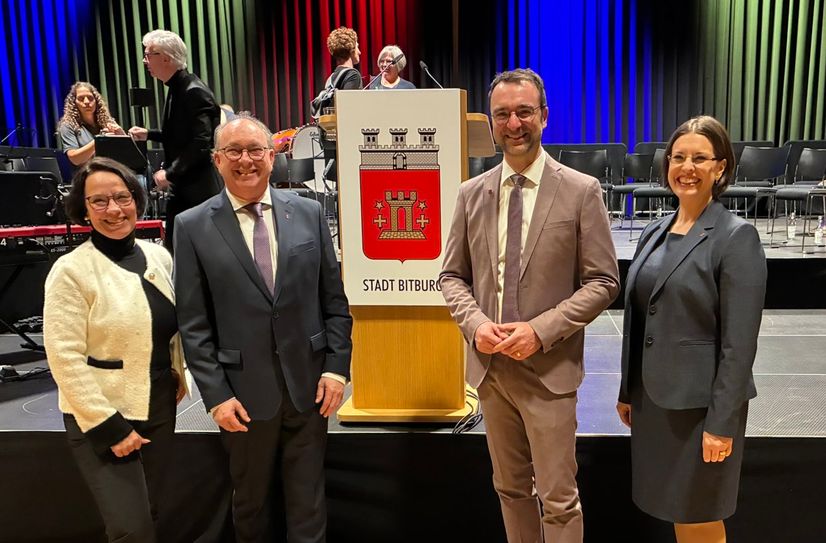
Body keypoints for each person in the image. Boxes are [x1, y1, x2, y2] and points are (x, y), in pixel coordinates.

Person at [439, 69, 620, 542]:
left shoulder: (581, 191)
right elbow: (451, 275)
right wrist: (475, 323)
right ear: (491, 123)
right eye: (503, 114)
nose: (513, 123)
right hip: (491, 371)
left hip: (549, 370)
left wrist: (539, 330)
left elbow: (603, 281)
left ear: (544, 116)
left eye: (524, 112)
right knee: (510, 489)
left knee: (559, 500)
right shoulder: (470, 194)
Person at [174, 113, 353, 542]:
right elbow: (194, 324)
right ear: (217, 160)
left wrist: (335, 369)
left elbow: (334, 301)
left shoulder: (309, 214)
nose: (246, 160)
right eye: (233, 151)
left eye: (256, 150)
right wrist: (215, 397)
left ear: (273, 158)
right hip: (241, 395)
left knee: (309, 504)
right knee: (251, 506)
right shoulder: (192, 225)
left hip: (310, 388)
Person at [616, 116, 766, 543]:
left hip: (700, 411)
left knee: (698, 513)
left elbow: (739, 345)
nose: (687, 167)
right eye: (678, 157)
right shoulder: (654, 231)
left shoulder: (736, 238)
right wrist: (629, 391)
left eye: (700, 158)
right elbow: (640, 317)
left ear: (720, 167)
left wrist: (721, 423)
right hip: (655, 405)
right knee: (677, 510)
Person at [43, 157, 187, 542]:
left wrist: (176, 374)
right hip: (103, 415)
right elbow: (64, 357)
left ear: (136, 200)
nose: (113, 209)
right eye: (99, 201)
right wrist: (109, 426)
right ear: (83, 209)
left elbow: (169, 328)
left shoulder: (158, 255)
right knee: (132, 530)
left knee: (151, 513)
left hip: (158, 404)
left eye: (121, 197)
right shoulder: (71, 270)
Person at [128, 29, 222, 252]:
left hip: (198, 191)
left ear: (166, 58)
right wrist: (149, 134)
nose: (145, 60)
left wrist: (170, 173)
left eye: (148, 54)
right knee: (177, 251)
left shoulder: (194, 91)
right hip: (185, 188)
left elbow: (202, 143)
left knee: (194, 253)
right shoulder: (178, 87)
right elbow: (181, 135)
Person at [57, 82, 125, 166]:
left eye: (90, 98)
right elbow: (75, 159)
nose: (86, 102)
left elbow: (125, 153)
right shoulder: (68, 125)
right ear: (74, 103)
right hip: (86, 174)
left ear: (96, 101)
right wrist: (100, 140)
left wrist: (122, 135)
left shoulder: (108, 121)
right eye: (81, 98)